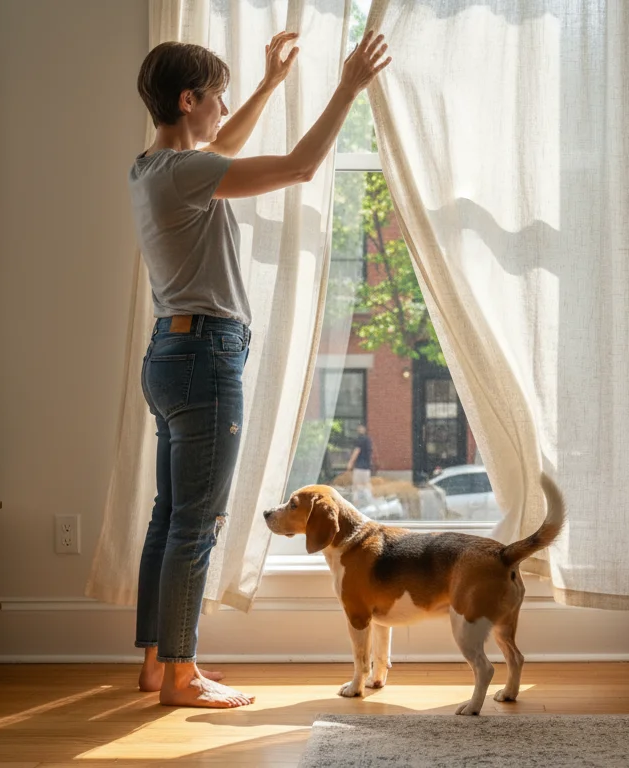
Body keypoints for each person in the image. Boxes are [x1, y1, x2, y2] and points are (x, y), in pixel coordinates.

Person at [129, 31, 390, 709]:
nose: (224, 109)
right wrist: (347, 88)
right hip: (204, 357)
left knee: (169, 516)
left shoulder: (150, 168)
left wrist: (270, 85)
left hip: (169, 354)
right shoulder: (186, 172)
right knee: (197, 523)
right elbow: (301, 167)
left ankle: (159, 663)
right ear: (188, 100)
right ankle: (182, 677)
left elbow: (222, 146)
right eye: (217, 98)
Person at [345, 424, 375, 506]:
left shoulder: (360, 440)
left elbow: (356, 451)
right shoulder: (368, 440)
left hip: (359, 467)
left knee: (356, 486)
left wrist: (350, 463)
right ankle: (370, 502)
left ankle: (356, 504)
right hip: (366, 468)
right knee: (366, 485)